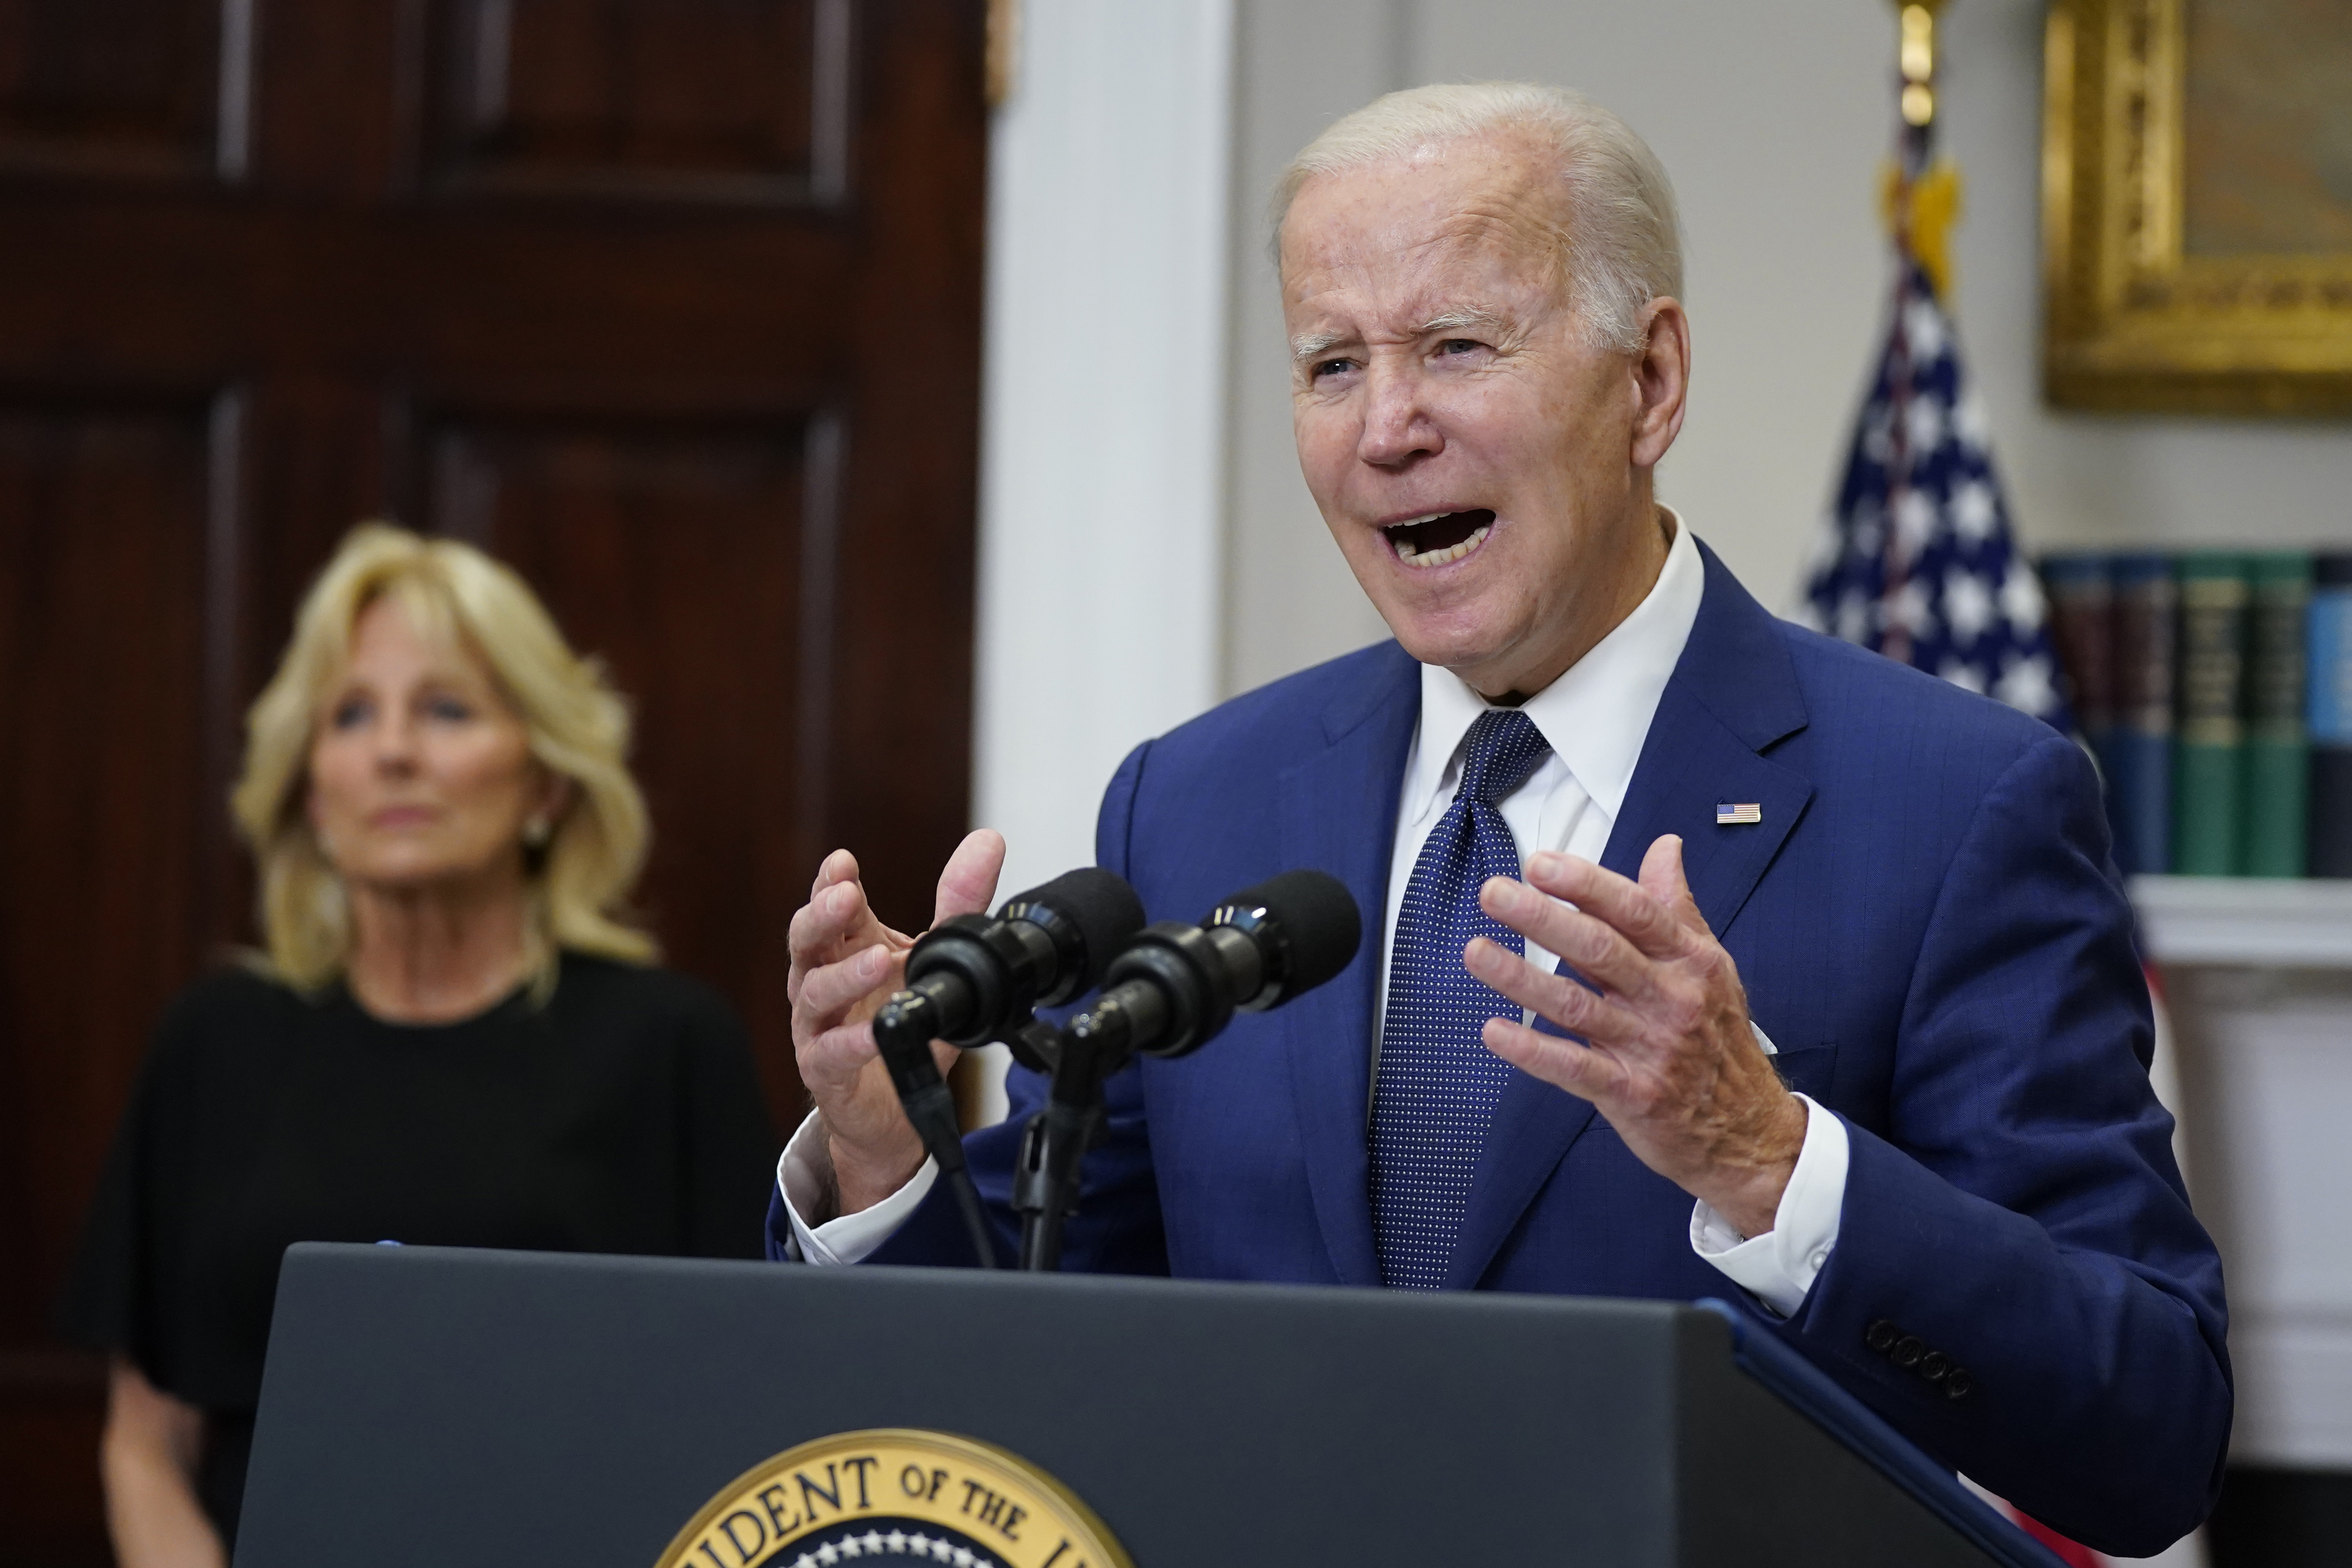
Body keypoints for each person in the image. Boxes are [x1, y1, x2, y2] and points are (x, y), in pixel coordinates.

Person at [776, 84, 2229, 1556]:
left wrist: (1767, 1159)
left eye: (1453, 347)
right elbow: (1039, 1338)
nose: (1386, 427)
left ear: (1648, 382)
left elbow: (2145, 1431)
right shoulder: (1197, 799)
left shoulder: (1951, 801)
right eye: (1330, 362)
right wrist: (879, 1149)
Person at [61, 524, 778, 1566]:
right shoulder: (215, 1043)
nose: (393, 748)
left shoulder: (668, 1044)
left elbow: (744, 1422)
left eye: (445, 709)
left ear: (546, 783)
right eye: (350, 714)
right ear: (313, 788)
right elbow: (146, 1438)